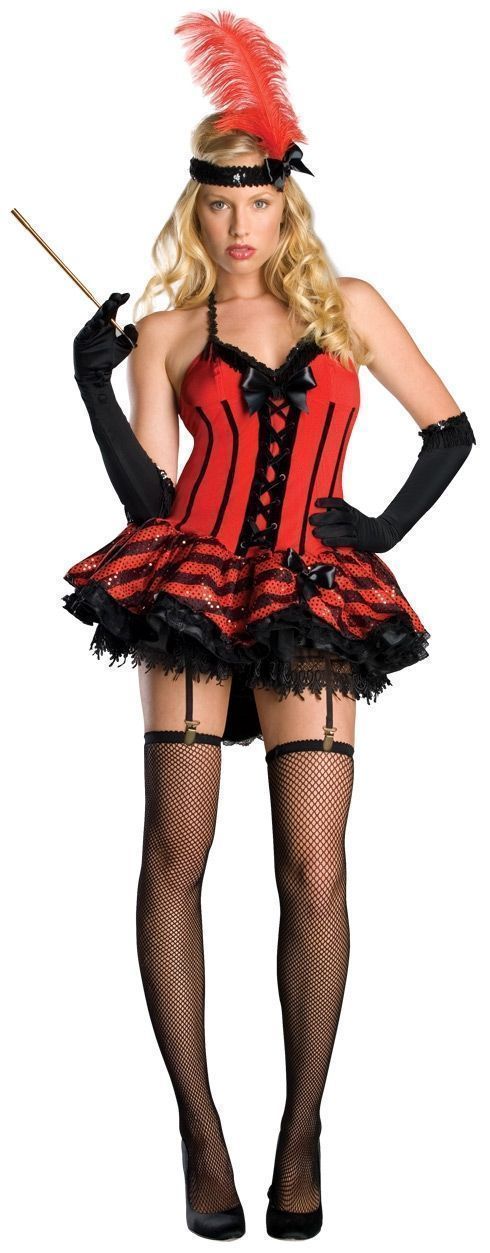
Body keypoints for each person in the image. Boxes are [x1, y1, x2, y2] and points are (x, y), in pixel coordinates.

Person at [61, 10, 476, 1242]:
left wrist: (377, 528)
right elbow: (150, 503)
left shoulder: (349, 305)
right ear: (194, 211)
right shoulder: (168, 329)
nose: (239, 226)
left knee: (315, 866)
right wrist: (95, 387)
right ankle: (200, 1128)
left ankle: (301, 1131)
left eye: (258, 202)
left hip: (310, 592)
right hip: (191, 587)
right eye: (218, 205)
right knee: (174, 857)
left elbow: (449, 431)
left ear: (286, 205)